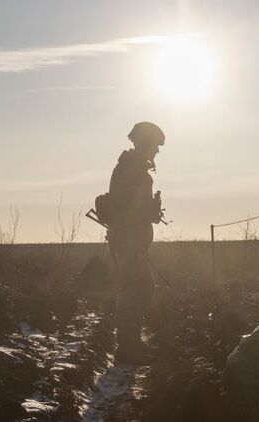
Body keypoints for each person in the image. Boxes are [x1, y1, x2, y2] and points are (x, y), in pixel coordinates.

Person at [108, 121, 165, 364]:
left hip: (130, 241)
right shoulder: (133, 171)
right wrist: (150, 211)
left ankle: (130, 346)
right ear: (145, 143)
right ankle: (128, 349)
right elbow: (131, 210)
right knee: (138, 290)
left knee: (137, 290)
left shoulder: (130, 168)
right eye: (155, 146)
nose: (157, 152)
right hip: (130, 242)